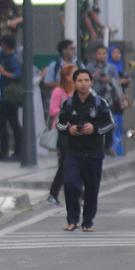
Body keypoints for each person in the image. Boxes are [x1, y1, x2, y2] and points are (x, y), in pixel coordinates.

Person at [57, 69, 114, 232]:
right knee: (70, 184)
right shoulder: (68, 104)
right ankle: (72, 219)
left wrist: (94, 129)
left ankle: (87, 222)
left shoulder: (99, 103)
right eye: (80, 81)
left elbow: (109, 124)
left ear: (91, 83)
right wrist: (70, 129)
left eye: (86, 80)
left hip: (94, 153)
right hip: (73, 152)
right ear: (74, 83)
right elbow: (59, 124)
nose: (83, 84)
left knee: (92, 187)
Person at [46, 65, 77, 206]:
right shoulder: (58, 91)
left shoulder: (78, 91)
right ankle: (54, 193)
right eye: (73, 74)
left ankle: (76, 193)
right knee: (64, 164)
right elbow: (53, 111)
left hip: (77, 131)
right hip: (63, 131)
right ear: (66, 76)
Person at [88, 45, 124, 156]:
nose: (102, 56)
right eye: (99, 53)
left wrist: (109, 80)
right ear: (95, 54)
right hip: (94, 98)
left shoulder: (111, 68)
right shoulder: (89, 67)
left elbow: (117, 83)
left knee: (109, 123)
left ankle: (108, 146)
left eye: (104, 53)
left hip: (108, 99)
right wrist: (94, 77)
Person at [0, 38, 23, 160]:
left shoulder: (13, 59)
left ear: (6, 46)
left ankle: (16, 151)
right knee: (3, 123)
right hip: (4, 96)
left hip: (10, 97)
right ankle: (6, 151)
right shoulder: (4, 55)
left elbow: (17, 75)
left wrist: (3, 72)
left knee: (12, 124)